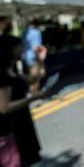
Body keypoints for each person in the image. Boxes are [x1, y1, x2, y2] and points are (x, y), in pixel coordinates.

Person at [0, 35, 47, 166]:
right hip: (12, 129)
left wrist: (39, 60)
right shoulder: (3, 75)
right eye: (18, 47)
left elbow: (33, 79)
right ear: (9, 50)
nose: (21, 49)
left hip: (22, 124)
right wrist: (33, 98)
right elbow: (4, 107)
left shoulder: (13, 70)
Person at [22, 19, 46, 94]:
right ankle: (34, 94)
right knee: (36, 76)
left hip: (26, 56)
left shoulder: (26, 31)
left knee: (31, 75)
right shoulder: (36, 33)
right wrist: (40, 61)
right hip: (33, 57)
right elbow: (36, 48)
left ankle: (31, 92)